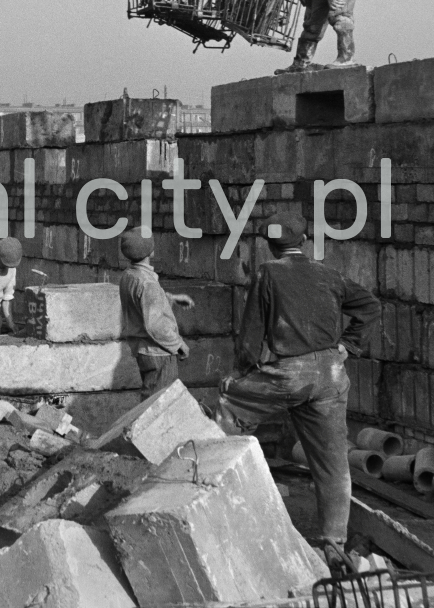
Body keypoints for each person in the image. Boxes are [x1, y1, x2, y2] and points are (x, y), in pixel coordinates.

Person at [215, 213, 380, 552]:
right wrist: (347, 344)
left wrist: (241, 371)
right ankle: (334, 544)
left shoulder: (268, 273)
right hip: (332, 376)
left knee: (227, 412)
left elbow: (251, 334)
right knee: (332, 462)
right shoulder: (328, 274)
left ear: (270, 245)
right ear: (303, 241)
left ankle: (210, 502)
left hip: (289, 375)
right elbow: (370, 305)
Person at [118, 227, 195, 400]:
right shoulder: (148, 283)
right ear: (150, 251)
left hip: (143, 350)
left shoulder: (129, 276)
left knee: (152, 398)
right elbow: (155, 325)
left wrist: (171, 298)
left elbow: (143, 304)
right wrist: (177, 343)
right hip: (158, 353)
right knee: (158, 403)